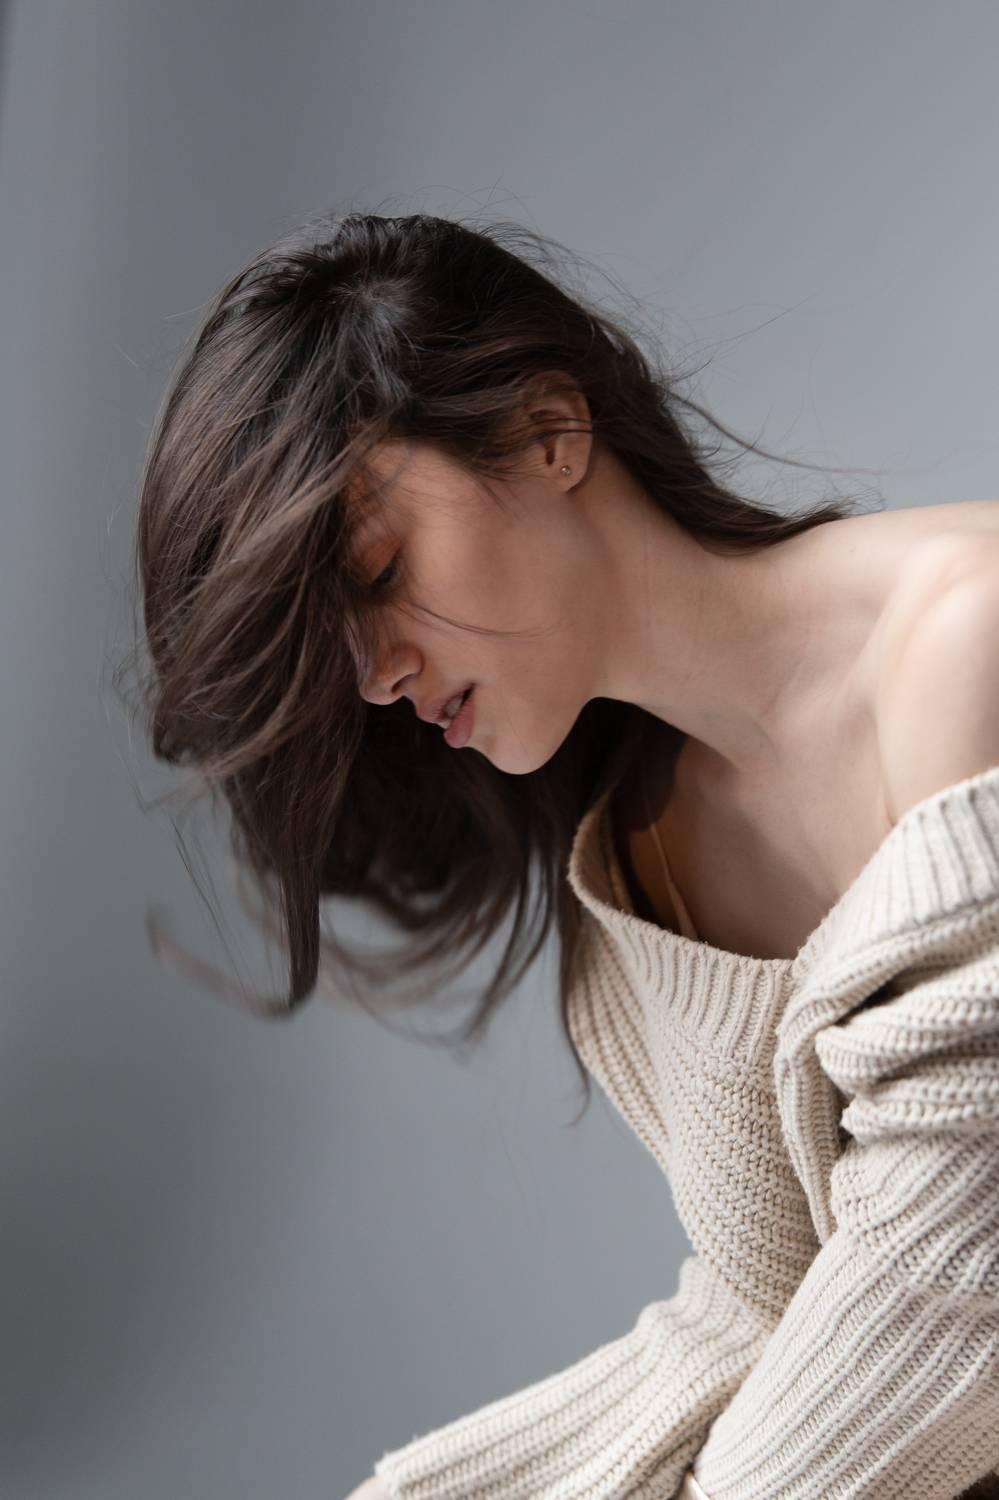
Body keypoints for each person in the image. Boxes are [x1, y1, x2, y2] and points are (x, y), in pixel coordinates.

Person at [127, 210, 999, 1500]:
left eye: (379, 570)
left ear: (549, 428)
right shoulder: (634, 858)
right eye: (335, 646)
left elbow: (965, 1267)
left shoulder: (966, 641)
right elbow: (761, 1318)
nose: (373, 677)